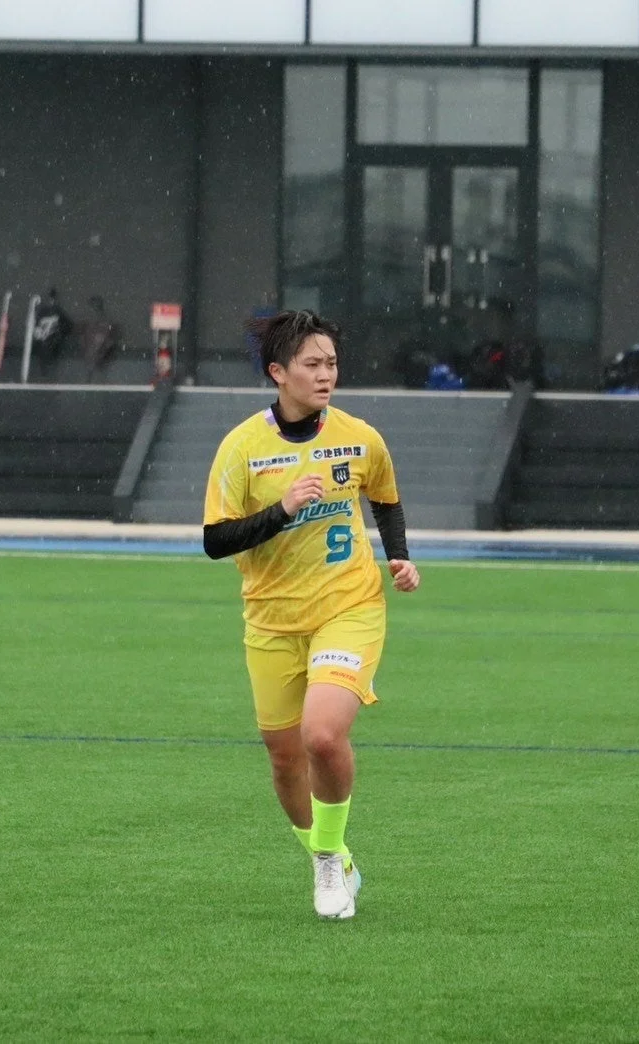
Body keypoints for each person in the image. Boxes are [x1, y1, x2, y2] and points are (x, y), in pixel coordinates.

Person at [202, 309, 419, 921]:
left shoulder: (359, 436)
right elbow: (216, 541)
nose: (327, 375)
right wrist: (281, 511)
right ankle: (336, 856)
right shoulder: (242, 448)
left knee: (322, 735)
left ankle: (325, 860)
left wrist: (399, 558)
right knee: (283, 758)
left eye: (332, 363)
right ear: (279, 373)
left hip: (348, 606)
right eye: (313, 364)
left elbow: (386, 498)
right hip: (270, 621)